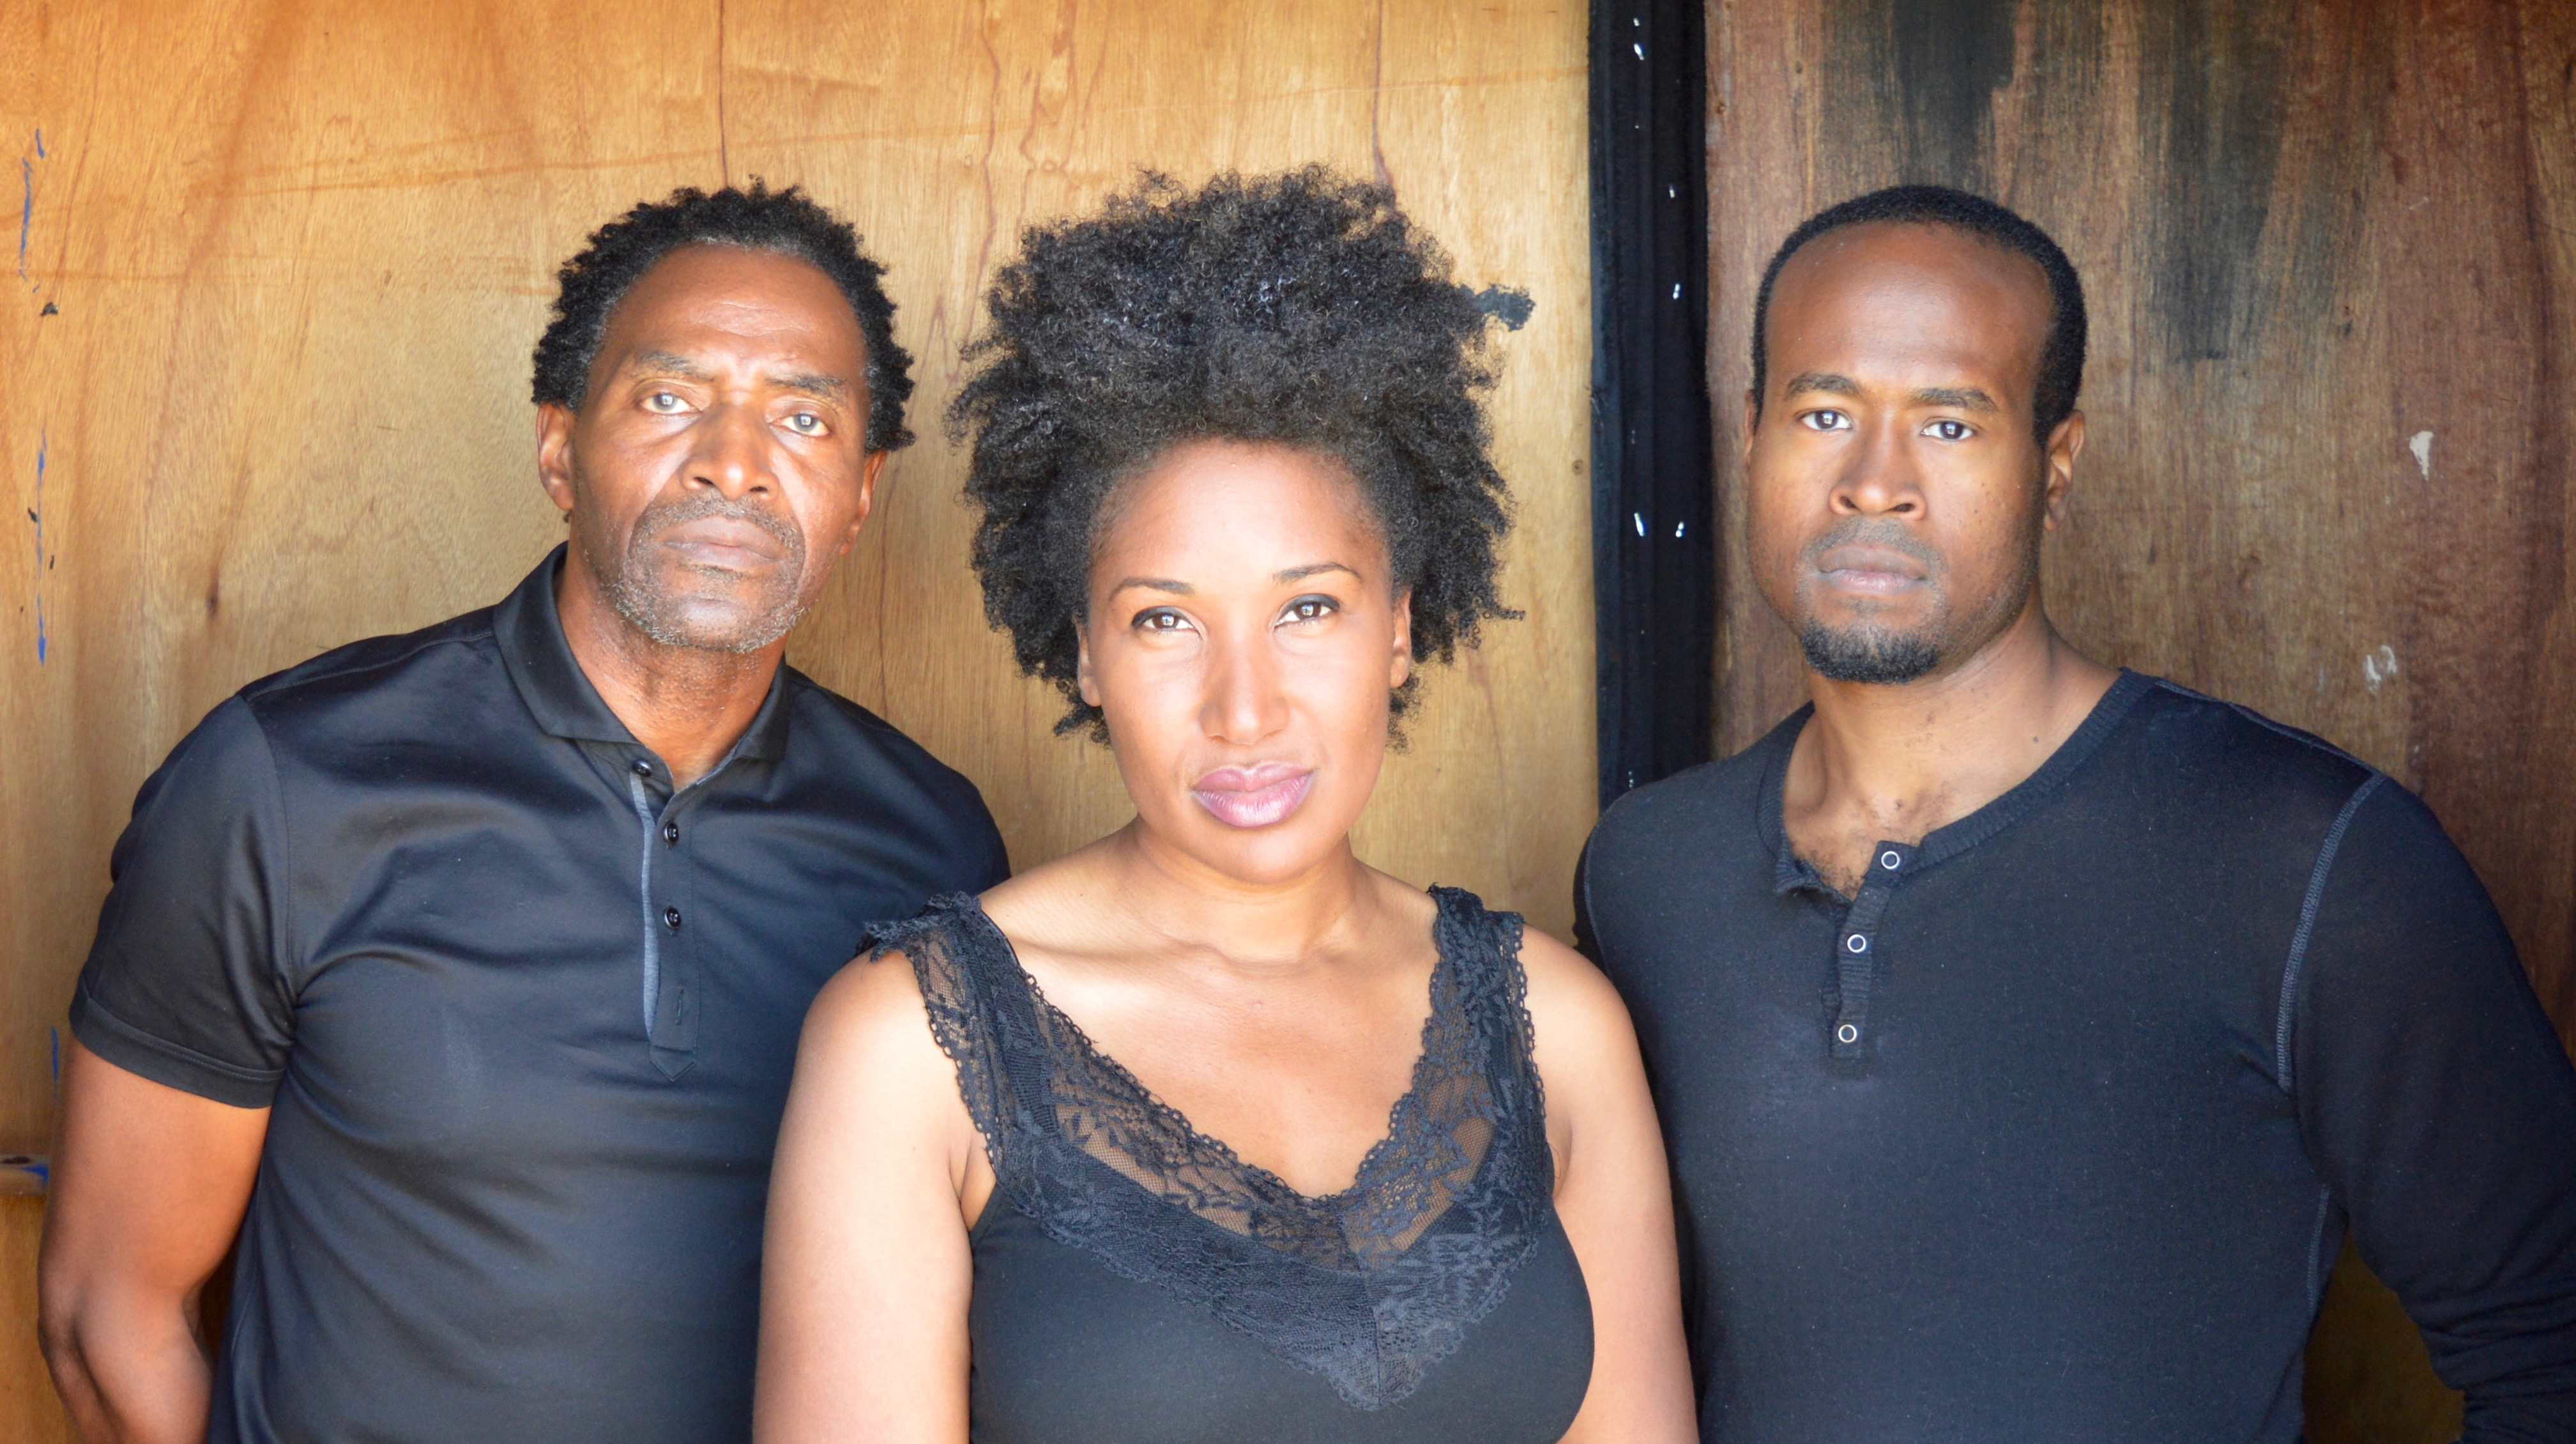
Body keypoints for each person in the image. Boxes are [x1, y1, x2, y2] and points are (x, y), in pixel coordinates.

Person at [1576, 183, 2576, 1441]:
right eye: (1823, 411)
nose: (1871, 482)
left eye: (1948, 423)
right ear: (1754, 433)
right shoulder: (1647, 873)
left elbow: (2553, 1341)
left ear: (2055, 465)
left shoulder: (2302, 858)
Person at [39, 183, 1009, 1444]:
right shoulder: (288, 783)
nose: (734, 460)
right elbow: (108, 1314)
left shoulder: (931, 843)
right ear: (559, 448)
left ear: (862, 493)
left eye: (804, 416)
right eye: (669, 399)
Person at [756, 169, 1695, 1443]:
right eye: (1163, 620)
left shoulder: (1558, 1028)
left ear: (1402, 627)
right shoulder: (911, 1045)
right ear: (1084, 651)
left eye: (1307, 607)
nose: (1243, 706)